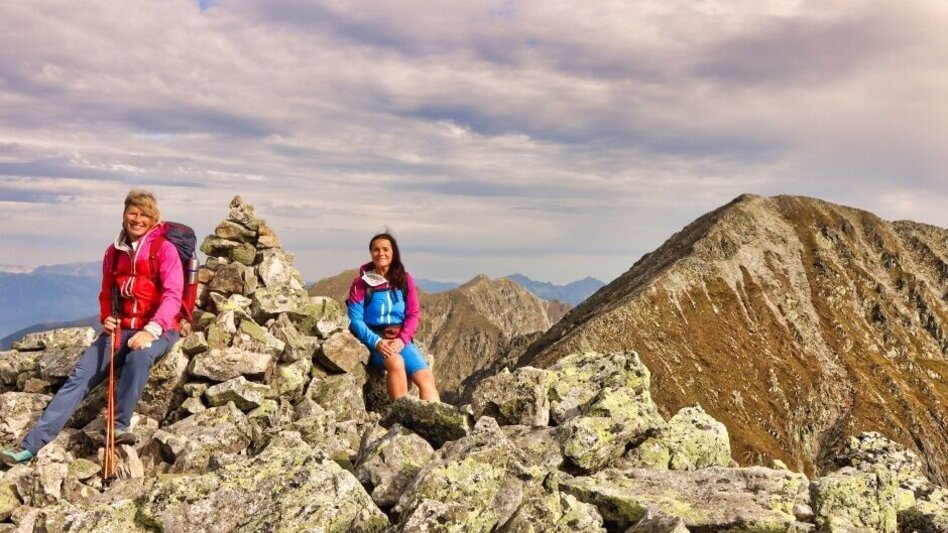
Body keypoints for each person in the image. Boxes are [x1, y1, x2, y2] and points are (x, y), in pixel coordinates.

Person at [1, 189, 183, 466]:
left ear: (153, 218)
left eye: (144, 214)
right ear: (124, 215)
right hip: (121, 328)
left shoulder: (164, 249)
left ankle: (119, 426)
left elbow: (173, 294)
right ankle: (30, 447)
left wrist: (151, 330)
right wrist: (107, 317)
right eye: (132, 213)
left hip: (161, 328)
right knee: (80, 376)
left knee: (139, 357)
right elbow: (106, 293)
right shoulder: (114, 252)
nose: (137, 219)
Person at [347, 232, 439, 401]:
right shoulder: (361, 283)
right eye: (376, 250)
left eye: (385, 249)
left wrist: (402, 340)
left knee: (426, 377)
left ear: (393, 252)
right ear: (371, 253)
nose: (380, 253)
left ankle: (435, 418)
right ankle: (401, 414)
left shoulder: (404, 279)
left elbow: (413, 314)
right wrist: (377, 342)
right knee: (396, 362)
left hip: (399, 339)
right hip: (374, 341)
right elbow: (355, 320)